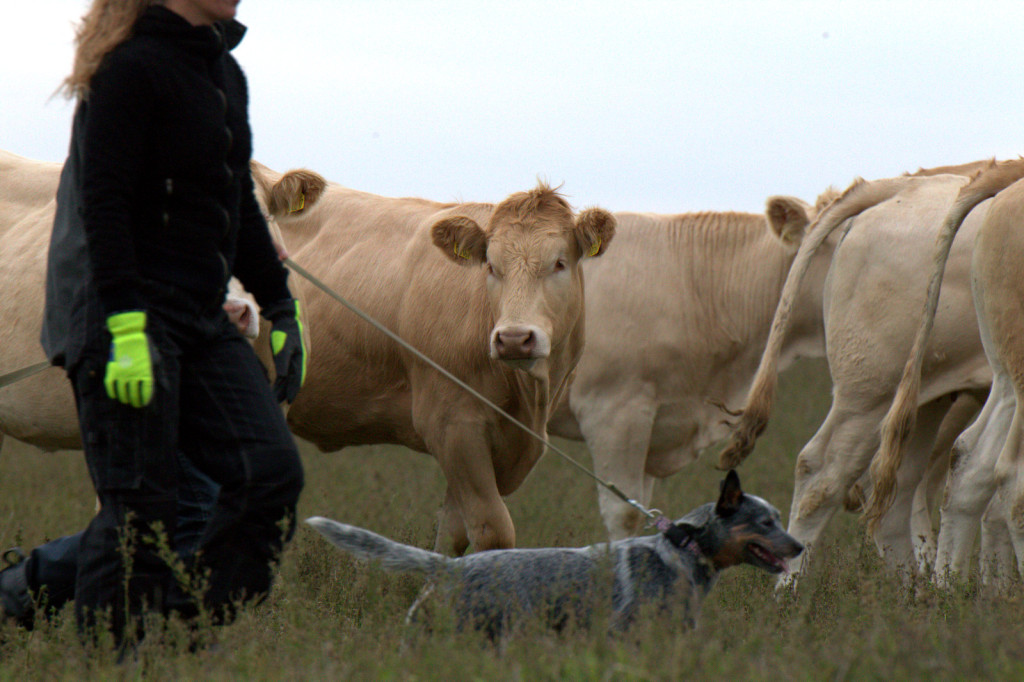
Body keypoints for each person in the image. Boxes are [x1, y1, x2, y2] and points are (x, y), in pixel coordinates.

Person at [15, 0, 307, 647]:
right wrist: (122, 326)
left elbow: (236, 203)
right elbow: (105, 203)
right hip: (126, 318)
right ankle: (111, 663)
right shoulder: (130, 69)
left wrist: (279, 303)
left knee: (270, 473)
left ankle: (181, 636)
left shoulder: (225, 74)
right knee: (139, 514)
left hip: (201, 320)